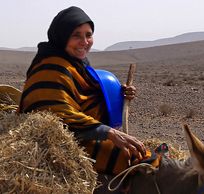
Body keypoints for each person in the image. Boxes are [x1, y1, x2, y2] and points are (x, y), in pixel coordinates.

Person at [19, 6, 160, 176]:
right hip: (59, 142)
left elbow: (85, 96)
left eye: (88, 35)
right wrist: (109, 132)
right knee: (135, 161)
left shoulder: (76, 64)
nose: (85, 42)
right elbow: (54, 114)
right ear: (62, 37)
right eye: (76, 35)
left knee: (141, 153)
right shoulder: (51, 67)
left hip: (82, 133)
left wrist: (118, 94)